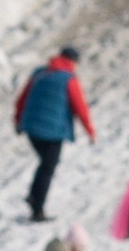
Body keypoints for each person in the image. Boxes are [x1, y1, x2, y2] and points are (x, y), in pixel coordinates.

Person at [15, 47, 94, 220]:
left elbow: (22, 98)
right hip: (52, 132)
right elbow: (80, 108)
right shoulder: (69, 79)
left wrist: (18, 120)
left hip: (31, 129)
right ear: (73, 61)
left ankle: (34, 197)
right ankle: (37, 209)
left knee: (46, 164)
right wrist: (90, 131)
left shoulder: (39, 73)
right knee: (48, 166)